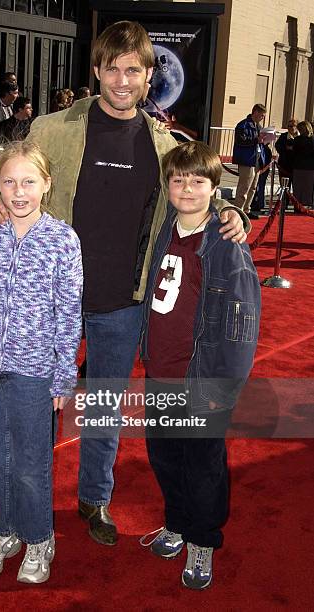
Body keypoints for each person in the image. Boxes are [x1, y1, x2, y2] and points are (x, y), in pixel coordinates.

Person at [0, 20, 248, 547]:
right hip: (49, 299)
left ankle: (94, 498)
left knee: (103, 406)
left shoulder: (163, 142)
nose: (122, 80)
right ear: (98, 70)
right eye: (113, 69)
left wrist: (231, 210)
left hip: (123, 304)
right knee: (36, 408)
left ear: (150, 77)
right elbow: (14, 179)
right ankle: (30, 509)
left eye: (134, 70)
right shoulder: (53, 129)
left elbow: (194, 193)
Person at [0, 141, 83, 583]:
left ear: (46, 183)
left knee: (30, 462)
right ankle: (1, 532)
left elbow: (68, 312)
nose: (18, 191)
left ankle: (39, 538)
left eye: (28, 181)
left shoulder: (63, 240)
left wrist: (63, 376)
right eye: (8, 182)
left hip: (34, 374)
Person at [140, 141, 261, 590]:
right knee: (165, 454)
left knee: (203, 462)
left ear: (215, 187)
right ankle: (176, 521)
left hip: (201, 376)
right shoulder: (166, 228)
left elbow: (243, 320)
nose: (187, 187)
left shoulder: (226, 242)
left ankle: (202, 539)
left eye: (198, 180)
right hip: (162, 370)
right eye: (178, 179)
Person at [233, 103, 267, 220]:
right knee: (244, 187)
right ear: (255, 112)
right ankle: (238, 211)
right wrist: (255, 140)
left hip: (256, 159)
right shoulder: (243, 125)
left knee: (253, 187)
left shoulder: (259, 127)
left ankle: (246, 210)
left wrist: (264, 141)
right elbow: (240, 141)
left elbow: (259, 143)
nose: (262, 118)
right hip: (247, 159)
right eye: (262, 115)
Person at [291, 120, 314, 209]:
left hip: (302, 166)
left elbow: (293, 153)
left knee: (299, 187)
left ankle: (299, 204)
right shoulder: (310, 140)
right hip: (307, 167)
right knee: (305, 188)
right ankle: (305, 205)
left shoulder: (297, 140)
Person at [275, 118, 298, 188]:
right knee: (284, 187)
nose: (291, 128)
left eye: (293, 126)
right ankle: (284, 199)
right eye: (289, 126)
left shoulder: (300, 137)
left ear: (297, 127)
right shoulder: (283, 136)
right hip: (284, 166)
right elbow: (277, 146)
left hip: (296, 167)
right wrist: (286, 148)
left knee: (296, 189)